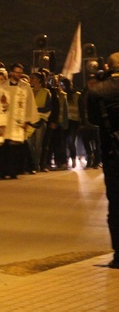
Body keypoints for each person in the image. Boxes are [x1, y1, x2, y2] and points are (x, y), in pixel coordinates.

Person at [86, 52, 119, 269]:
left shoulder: (98, 90)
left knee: (115, 204)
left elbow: (91, 119)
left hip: (112, 152)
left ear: (107, 66)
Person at [0, 63, 38, 179]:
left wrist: (27, 120)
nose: (18, 75)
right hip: (4, 120)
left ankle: (13, 171)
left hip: (17, 121)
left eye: (20, 73)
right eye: (16, 72)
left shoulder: (25, 87)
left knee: (15, 148)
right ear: (11, 73)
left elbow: (30, 104)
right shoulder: (2, 86)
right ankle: (2, 171)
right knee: (3, 147)